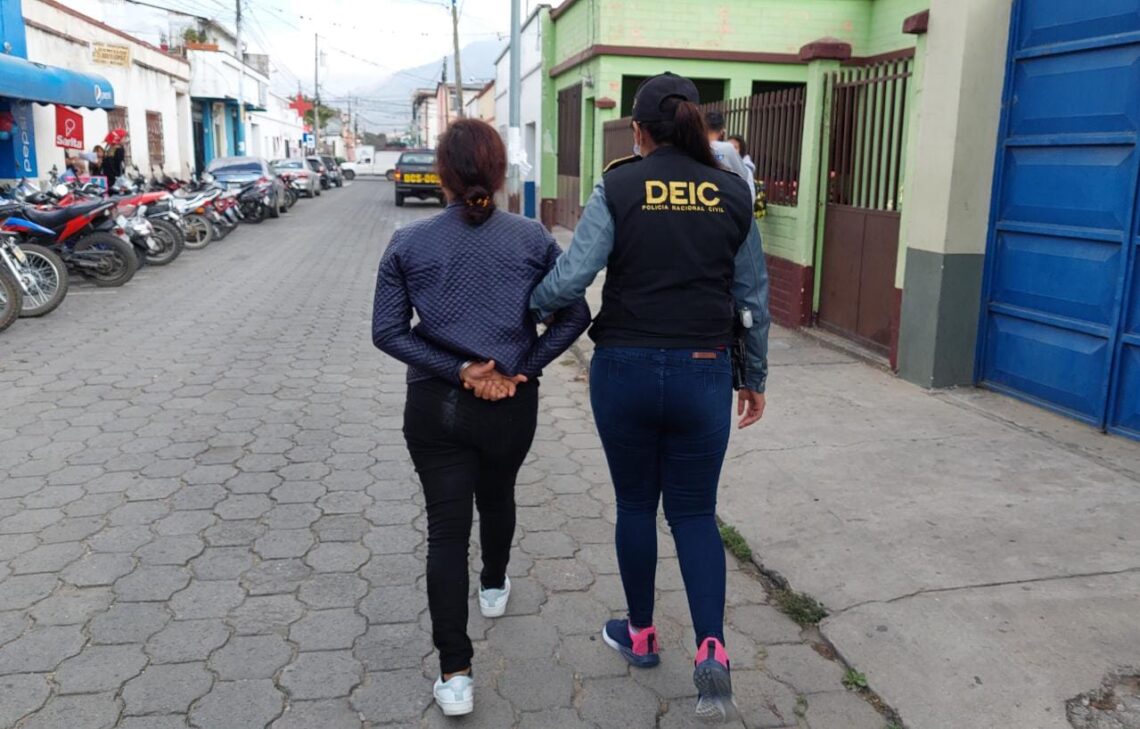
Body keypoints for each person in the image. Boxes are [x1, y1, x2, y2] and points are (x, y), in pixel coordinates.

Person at [530, 72, 771, 724]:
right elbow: (751, 297)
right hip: (704, 371)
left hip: (626, 370)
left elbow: (573, 276)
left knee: (636, 504)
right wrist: (754, 377)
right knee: (694, 513)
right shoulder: (733, 191)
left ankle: (640, 635)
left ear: (637, 131)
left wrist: (529, 307)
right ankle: (713, 649)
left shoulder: (619, 185)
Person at [372, 118, 591, 718]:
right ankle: (494, 584)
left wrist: (461, 370)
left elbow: (387, 332)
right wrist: (520, 369)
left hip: (435, 405)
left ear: (442, 174)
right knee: (498, 495)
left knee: (446, 532)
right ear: (498, 174)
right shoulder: (532, 238)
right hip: (510, 407)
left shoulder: (408, 243)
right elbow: (575, 316)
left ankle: (455, 675)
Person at [706, 110, 756, 199]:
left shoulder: (693, 147)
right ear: (722, 130)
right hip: (723, 199)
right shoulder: (727, 149)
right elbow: (743, 176)